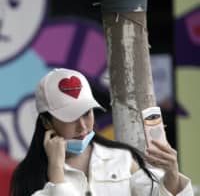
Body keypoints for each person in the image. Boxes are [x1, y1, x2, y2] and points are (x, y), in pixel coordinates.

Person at [10, 68, 193, 196]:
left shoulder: (121, 157)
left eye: (86, 113)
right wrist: (56, 172)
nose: (82, 126)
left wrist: (172, 174)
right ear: (46, 122)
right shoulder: (30, 175)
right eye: (69, 117)